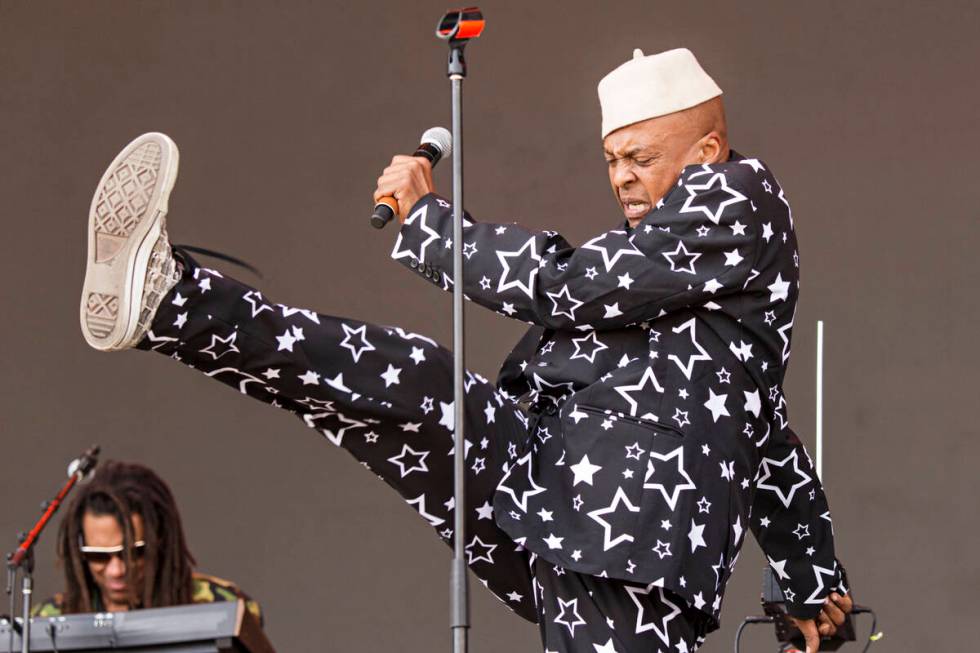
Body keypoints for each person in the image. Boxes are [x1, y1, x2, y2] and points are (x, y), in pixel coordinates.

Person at [77, 48, 851, 652]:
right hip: (551, 482)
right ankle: (172, 303)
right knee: (400, 376)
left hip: (626, 540)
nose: (621, 178)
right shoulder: (705, 305)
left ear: (708, 150)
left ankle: (177, 303)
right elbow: (763, 434)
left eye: (641, 157)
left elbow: (569, 287)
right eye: (612, 159)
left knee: (410, 378)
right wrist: (814, 582)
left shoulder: (739, 197)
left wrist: (428, 225)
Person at [33, 460, 262, 623]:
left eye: (134, 553)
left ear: (160, 542)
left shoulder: (225, 607)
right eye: (98, 555)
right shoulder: (47, 619)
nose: (116, 570)